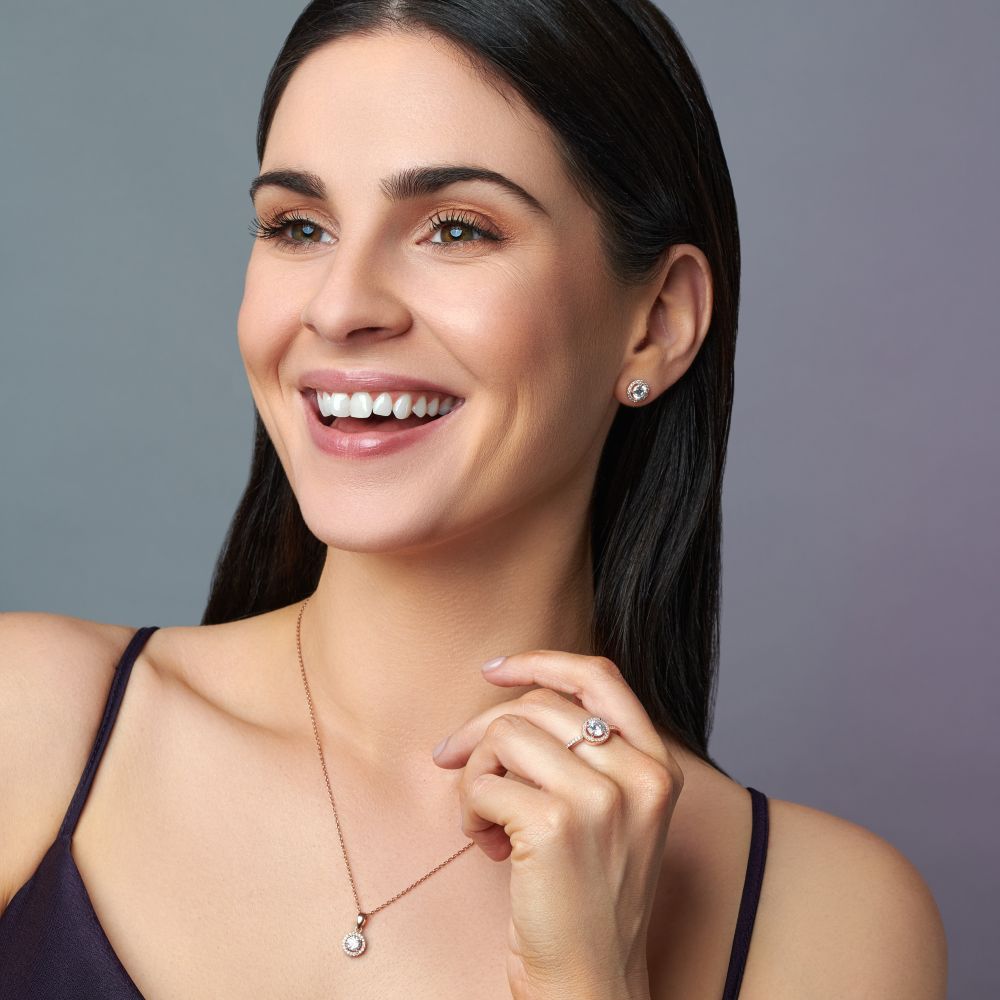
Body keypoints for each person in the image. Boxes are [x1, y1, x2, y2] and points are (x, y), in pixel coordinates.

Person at [0, 1, 947, 997]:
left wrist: (588, 977)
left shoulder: (830, 917)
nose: (341, 304)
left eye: (455, 228)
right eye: (298, 226)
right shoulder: (25, 722)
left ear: (657, 323)